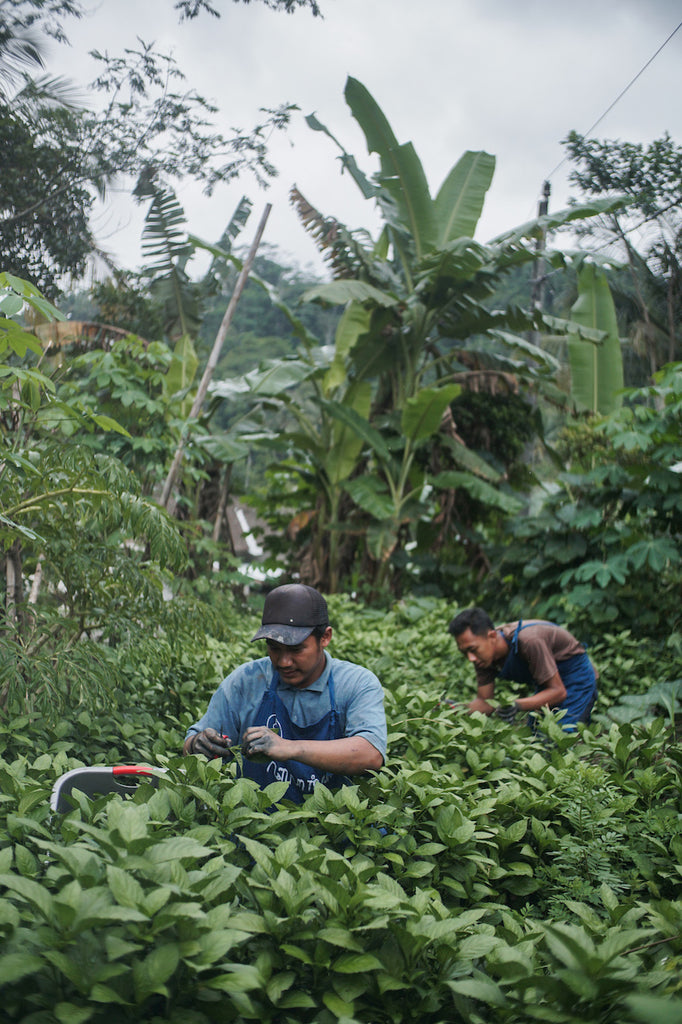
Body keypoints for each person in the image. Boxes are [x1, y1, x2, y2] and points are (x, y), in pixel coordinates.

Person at [184, 583, 387, 803]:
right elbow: (191, 746)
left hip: (333, 826)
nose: (284, 661)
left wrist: (287, 747)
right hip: (256, 825)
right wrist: (198, 744)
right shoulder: (246, 681)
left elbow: (371, 754)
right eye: (274, 648)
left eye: (296, 649)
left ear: (325, 637)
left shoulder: (355, 683)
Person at [447, 607, 598, 730]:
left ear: (492, 636)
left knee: (559, 737)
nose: (470, 658)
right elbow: (485, 702)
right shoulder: (482, 657)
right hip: (546, 682)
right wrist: (456, 708)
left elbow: (558, 692)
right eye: (464, 652)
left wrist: (516, 705)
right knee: (535, 735)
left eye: (473, 649)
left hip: (575, 678)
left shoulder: (529, 640)